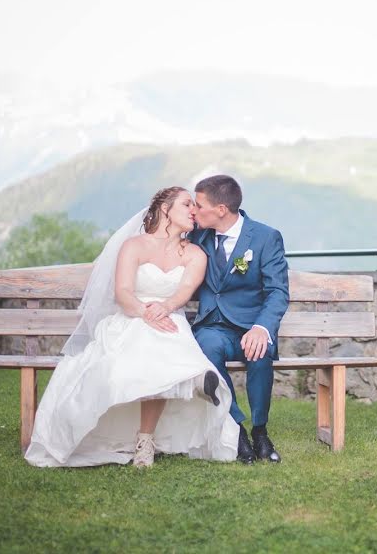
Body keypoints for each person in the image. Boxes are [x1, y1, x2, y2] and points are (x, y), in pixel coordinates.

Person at [24, 187, 239, 468]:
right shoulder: (134, 246)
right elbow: (123, 292)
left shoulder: (195, 254)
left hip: (169, 318)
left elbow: (184, 291)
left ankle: (146, 441)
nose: (194, 211)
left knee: (162, 341)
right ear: (165, 209)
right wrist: (145, 312)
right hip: (132, 317)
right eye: (187, 204)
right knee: (145, 347)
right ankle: (192, 381)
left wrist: (167, 306)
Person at [189, 175, 290, 464]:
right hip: (214, 326)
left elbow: (277, 291)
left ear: (221, 209)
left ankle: (260, 431)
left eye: (199, 205)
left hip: (251, 325)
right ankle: (237, 430)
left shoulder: (265, 237)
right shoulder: (197, 235)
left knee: (260, 351)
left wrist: (261, 328)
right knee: (208, 347)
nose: (194, 211)